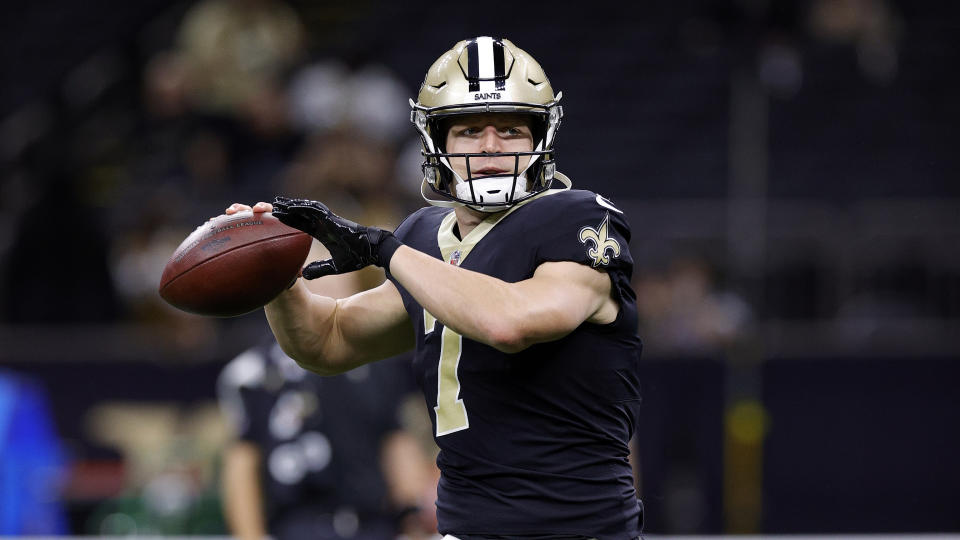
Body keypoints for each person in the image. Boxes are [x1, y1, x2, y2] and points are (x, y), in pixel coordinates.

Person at [226, 37, 643, 538]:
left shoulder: (577, 217)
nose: (490, 146)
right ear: (436, 143)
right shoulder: (425, 237)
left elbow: (511, 322)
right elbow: (326, 341)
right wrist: (275, 274)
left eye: (510, 129)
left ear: (541, 138)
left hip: (576, 530)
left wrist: (385, 250)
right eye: (470, 131)